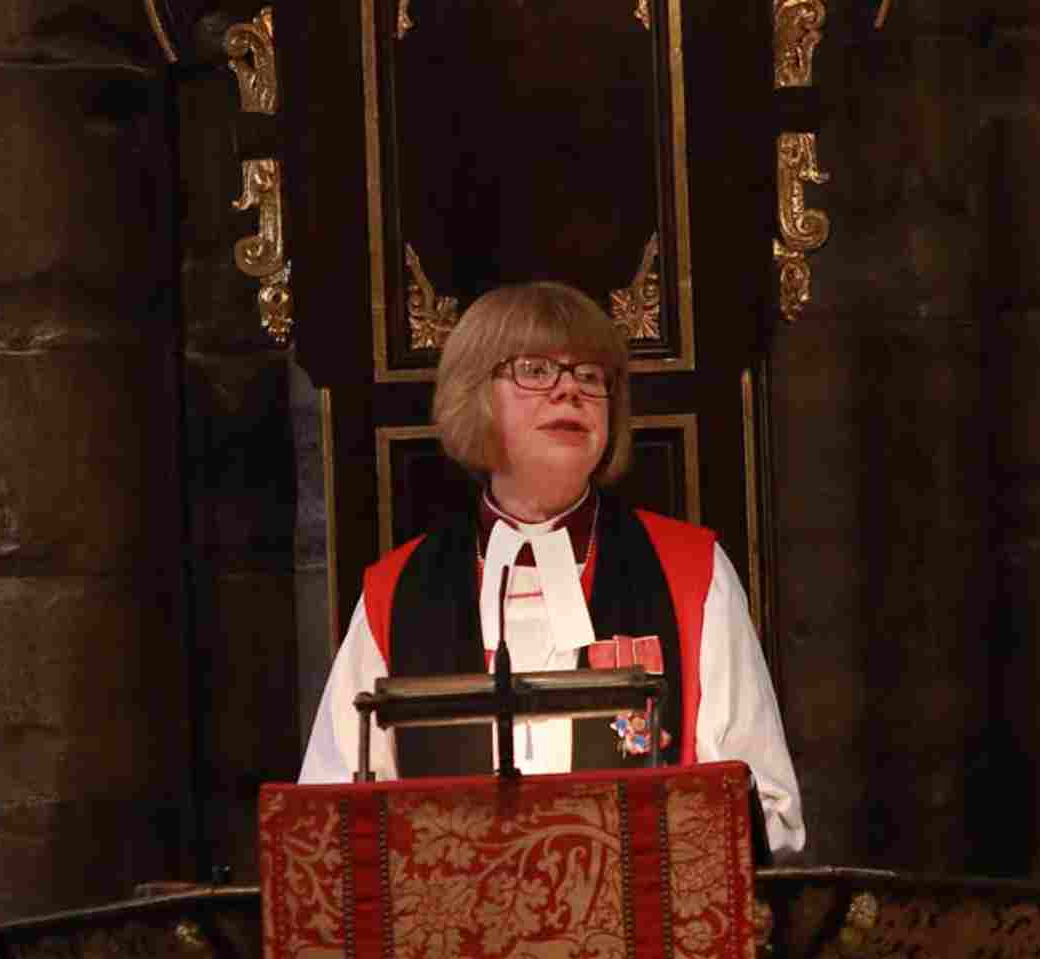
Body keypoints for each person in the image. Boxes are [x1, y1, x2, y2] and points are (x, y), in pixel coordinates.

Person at [299, 281, 805, 857]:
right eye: (535, 370)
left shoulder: (691, 572)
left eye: (590, 376)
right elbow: (328, 815)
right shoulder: (400, 589)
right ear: (474, 394)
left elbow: (766, 807)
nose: (569, 390)